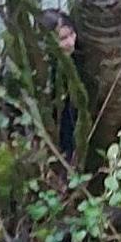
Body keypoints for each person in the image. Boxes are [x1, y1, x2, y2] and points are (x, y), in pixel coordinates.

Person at [39, 9, 78, 158]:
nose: (70, 42)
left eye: (71, 34)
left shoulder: (73, 56)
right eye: (62, 39)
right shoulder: (45, 68)